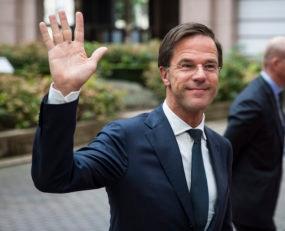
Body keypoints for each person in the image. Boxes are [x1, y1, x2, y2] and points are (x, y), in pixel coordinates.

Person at [31, 10, 233, 231]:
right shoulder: (125, 138)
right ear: (165, 75)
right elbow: (54, 177)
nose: (201, 75)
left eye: (210, 66)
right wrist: (64, 91)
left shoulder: (221, 147)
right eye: (187, 65)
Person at [223, 36, 285, 231]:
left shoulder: (276, 91)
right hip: (249, 206)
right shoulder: (253, 102)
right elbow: (225, 153)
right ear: (276, 64)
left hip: (262, 202)